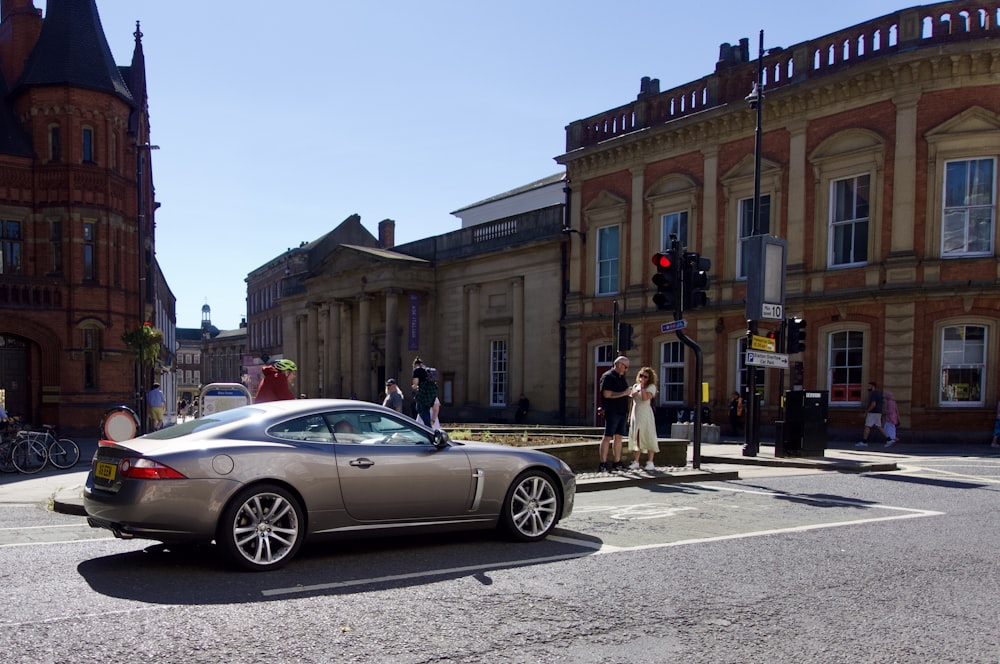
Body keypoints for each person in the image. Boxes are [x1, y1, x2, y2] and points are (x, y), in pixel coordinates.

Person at [598, 355, 631, 472]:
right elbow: (607, 394)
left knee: (619, 437)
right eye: (625, 367)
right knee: (607, 436)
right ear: (619, 365)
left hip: (622, 411)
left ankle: (617, 462)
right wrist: (624, 393)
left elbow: (625, 392)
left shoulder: (621, 378)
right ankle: (603, 463)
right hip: (612, 411)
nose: (626, 370)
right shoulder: (608, 377)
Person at [627, 367, 659, 471]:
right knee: (637, 437)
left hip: (645, 414)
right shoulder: (636, 386)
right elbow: (632, 399)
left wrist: (643, 388)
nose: (642, 378)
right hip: (636, 413)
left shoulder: (651, 387)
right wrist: (629, 415)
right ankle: (636, 461)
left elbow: (645, 398)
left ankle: (650, 461)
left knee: (648, 435)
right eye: (641, 375)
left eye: (645, 376)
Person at [856, 380, 889, 447]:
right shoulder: (879, 393)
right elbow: (884, 401)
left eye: (869, 386)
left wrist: (866, 412)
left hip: (873, 412)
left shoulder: (873, 394)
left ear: (872, 386)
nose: (868, 387)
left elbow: (873, 404)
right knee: (879, 426)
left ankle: (864, 442)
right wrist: (883, 409)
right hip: (878, 412)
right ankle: (889, 439)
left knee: (867, 426)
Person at [411, 357, 438, 427]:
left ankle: (428, 429)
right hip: (431, 392)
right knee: (426, 409)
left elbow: (415, 383)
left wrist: (414, 386)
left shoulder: (416, 370)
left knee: (420, 407)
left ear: (414, 364)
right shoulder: (427, 370)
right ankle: (428, 426)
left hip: (423, 392)